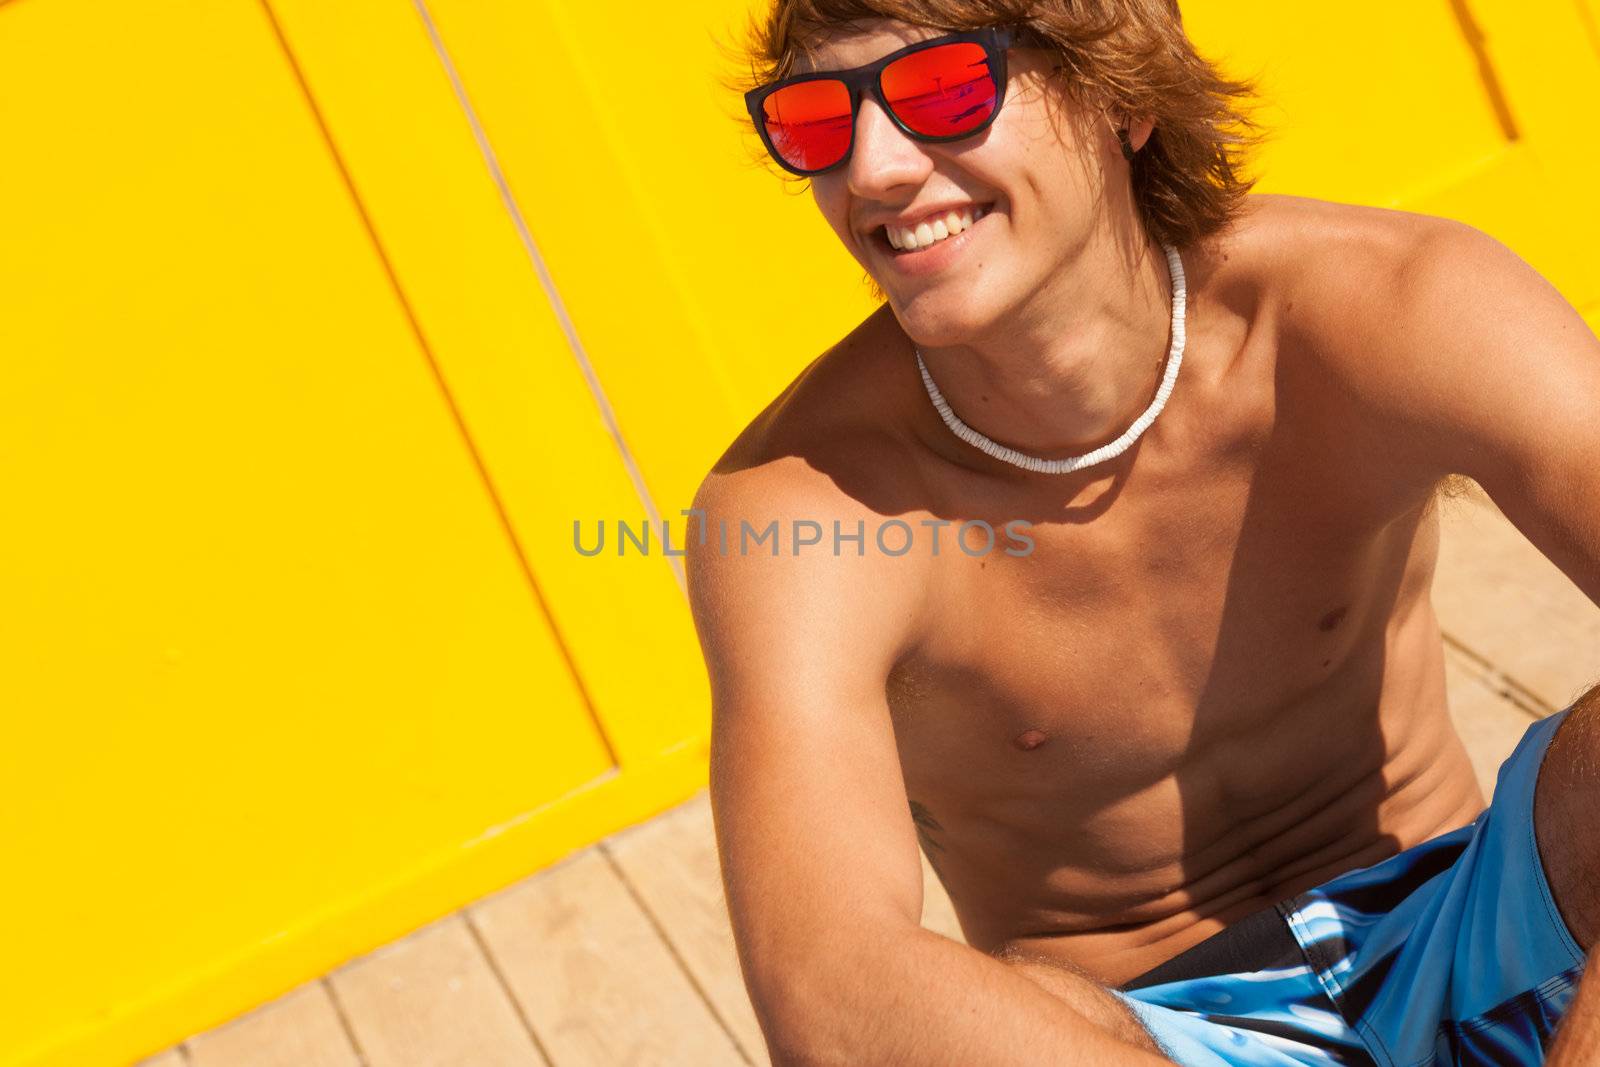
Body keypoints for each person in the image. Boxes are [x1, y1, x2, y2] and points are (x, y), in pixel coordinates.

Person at [685, 3, 1600, 1063]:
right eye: (814, 122)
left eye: (942, 91)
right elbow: (829, 981)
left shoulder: (1392, 307)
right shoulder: (799, 507)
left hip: (1477, 913)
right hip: (1150, 1027)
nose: (874, 170)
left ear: (1120, 93)